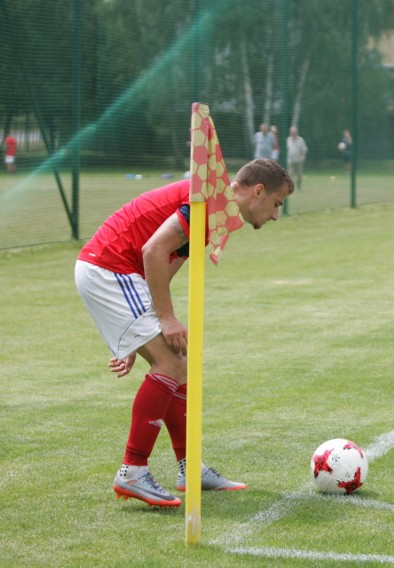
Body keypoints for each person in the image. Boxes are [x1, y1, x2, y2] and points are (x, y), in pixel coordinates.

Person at [75, 158, 293, 508]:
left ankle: (189, 469)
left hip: (118, 273)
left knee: (180, 362)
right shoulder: (209, 204)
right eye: (277, 204)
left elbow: (166, 263)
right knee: (171, 364)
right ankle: (132, 470)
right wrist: (164, 318)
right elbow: (152, 251)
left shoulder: (216, 210)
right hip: (109, 267)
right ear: (258, 191)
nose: (275, 215)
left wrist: (137, 333)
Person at [286, 126, 308, 191]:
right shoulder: (288, 140)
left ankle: (298, 187)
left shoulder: (301, 140)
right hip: (290, 161)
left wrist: (303, 157)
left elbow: (304, 150)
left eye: (295, 132)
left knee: (299, 175)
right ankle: (292, 188)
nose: (293, 133)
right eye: (292, 132)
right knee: (290, 175)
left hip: (299, 161)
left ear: (297, 132)